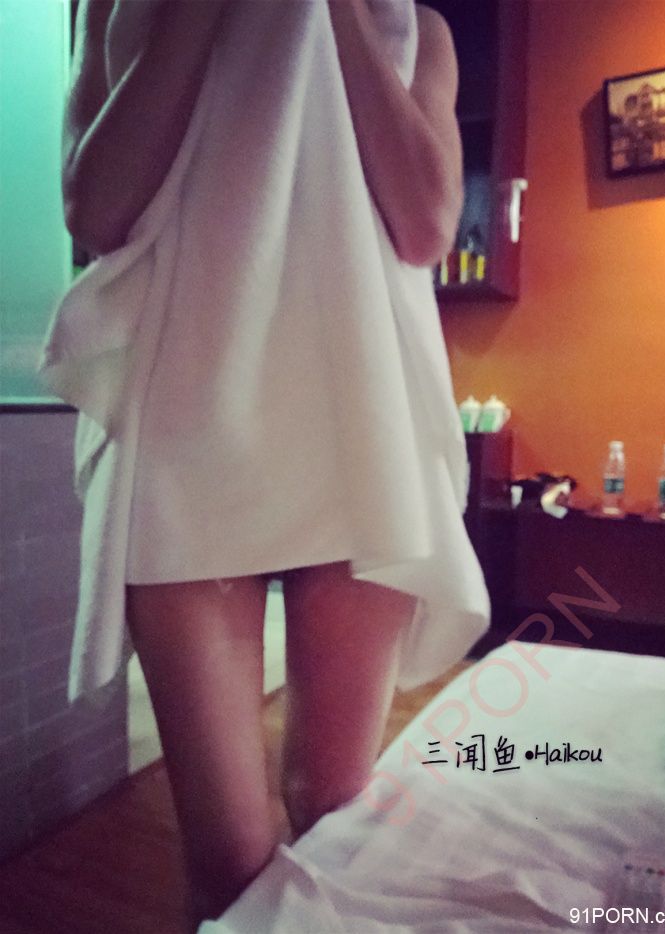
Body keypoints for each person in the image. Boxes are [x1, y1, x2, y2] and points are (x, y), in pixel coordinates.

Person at [59, 1, 481, 929]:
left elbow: (426, 226)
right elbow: (96, 212)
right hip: (187, 420)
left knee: (335, 809)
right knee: (228, 864)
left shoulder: (420, 29)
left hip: (357, 418)